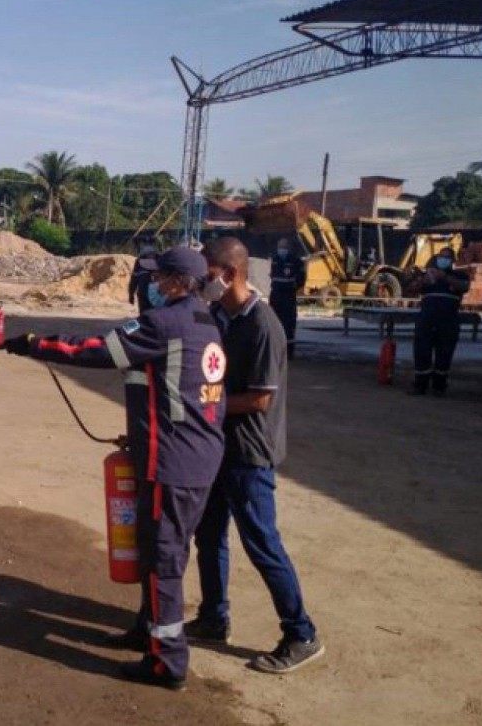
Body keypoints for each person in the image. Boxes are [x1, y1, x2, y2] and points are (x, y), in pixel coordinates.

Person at [2, 247, 226, 690]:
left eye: (162, 279)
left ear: (180, 282)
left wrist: (35, 345)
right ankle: (148, 630)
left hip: (173, 465)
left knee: (163, 560)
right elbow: (173, 391)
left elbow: (99, 349)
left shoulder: (165, 323)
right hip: (193, 457)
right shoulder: (206, 322)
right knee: (157, 549)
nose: (154, 287)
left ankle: (167, 662)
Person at [187, 236, 324, 675]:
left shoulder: (264, 325)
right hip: (218, 448)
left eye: (206, 275)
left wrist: (206, 404)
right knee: (208, 537)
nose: (200, 282)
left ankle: (301, 633)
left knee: (262, 543)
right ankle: (213, 617)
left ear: (229, 274)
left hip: (249, 452)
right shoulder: (216, 316)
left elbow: (260, 400)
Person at [411, 247, 470, 396]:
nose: (443, 259)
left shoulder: (459, 275)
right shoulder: (428, 276)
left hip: (448, 321)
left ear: (452, 261)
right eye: (440, 256)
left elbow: (464, 286)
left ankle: (439, 386)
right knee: (422, 351)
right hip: (426, 320)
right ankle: (420, 385)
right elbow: (413, 288)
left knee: (445, 353)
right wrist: (421, 280)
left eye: (447, 257)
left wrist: (444, 277)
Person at [269, 237, 306, 358]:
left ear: (288, 248)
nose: (281, 249)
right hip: (275, 296)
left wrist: (293, 287)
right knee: (275, 323)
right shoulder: (274, 260)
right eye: (280, 247)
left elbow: (301, 278)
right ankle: (275, 351)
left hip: (288, 297)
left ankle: (289, 353)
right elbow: (272, 276)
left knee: (289, 325)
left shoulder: (295, 261)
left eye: (283, 247)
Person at [127, 234, 157, 313]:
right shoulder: (160, 259)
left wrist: (131, 295)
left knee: (144, 315)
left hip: (144, 293)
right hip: (157, 294)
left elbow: (134, 280)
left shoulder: (139, 261)